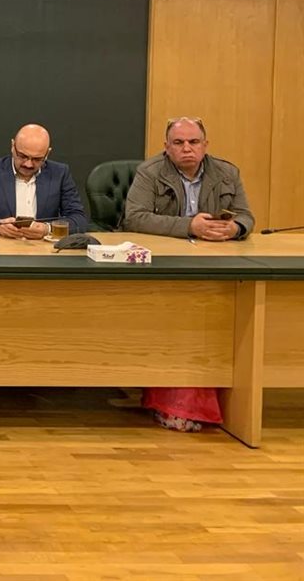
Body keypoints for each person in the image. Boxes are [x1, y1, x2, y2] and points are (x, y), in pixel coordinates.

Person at [123, 116, 255, 432]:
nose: (187, 149)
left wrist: (235, 228)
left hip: (217, 263)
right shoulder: (149, 172)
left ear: (205, 145)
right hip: (165, 267)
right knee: (183, 320)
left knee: (221, 317)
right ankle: (174, 400)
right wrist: (188, 226)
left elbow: (246, 216)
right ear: (166, 147)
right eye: (179, 143)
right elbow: (134, 218)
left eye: (194, 142)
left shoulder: (227, 173)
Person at [0, 123, 88, 238]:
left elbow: (79, 219)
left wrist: (48, 229)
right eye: (22, 156)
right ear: (13, 146)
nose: (28, 164)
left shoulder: (60, 173)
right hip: (1, 246)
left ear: (47, 153)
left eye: (37, 159)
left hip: (43, 249)